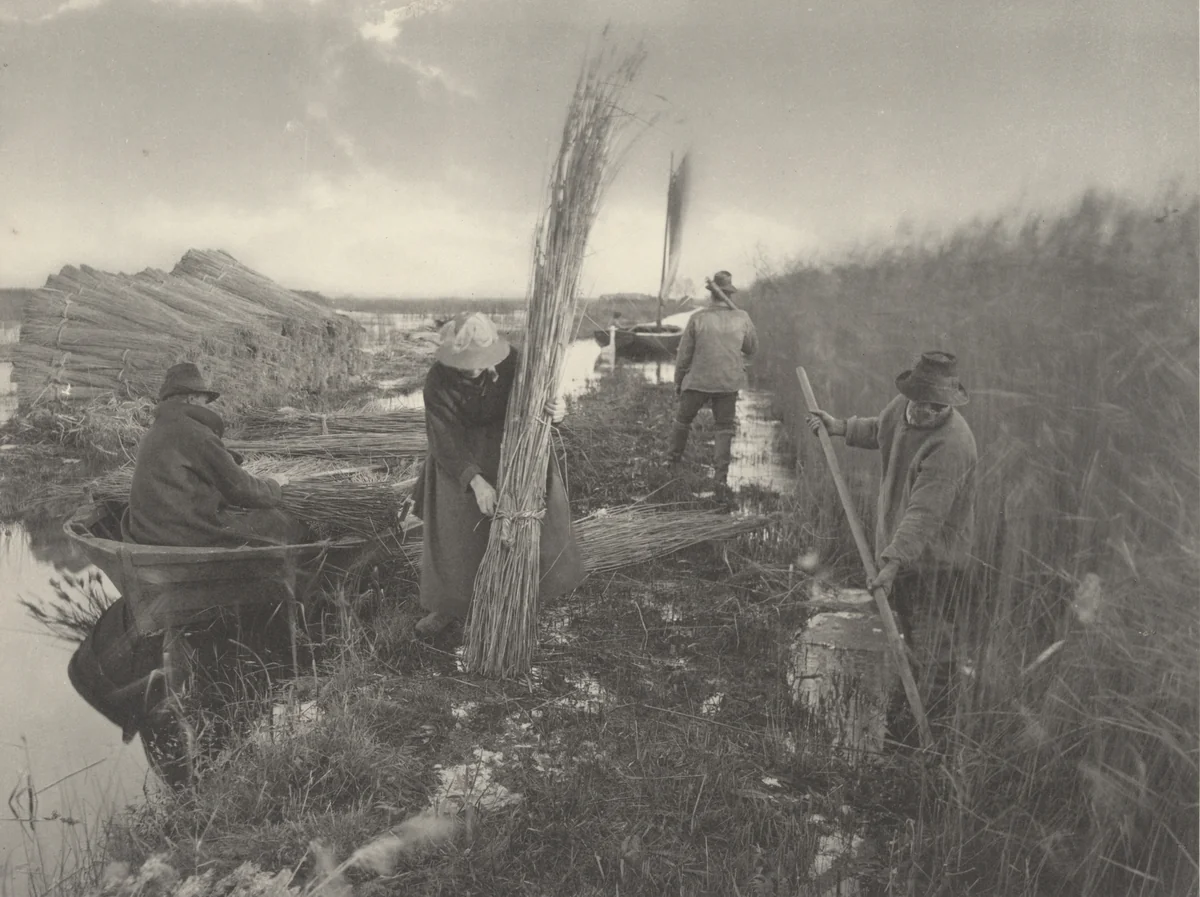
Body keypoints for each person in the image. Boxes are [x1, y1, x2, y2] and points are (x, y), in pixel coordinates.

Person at [806, 351, 978, 711]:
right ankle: (910, 710)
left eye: (934, 407)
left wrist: (892, 561)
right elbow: (880, 430)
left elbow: (924, 515)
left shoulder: (952, 444)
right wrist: (840, 427)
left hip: (937, 561)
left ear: (946, 405)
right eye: (919, 403)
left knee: (935, 648)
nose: (922, 412)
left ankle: (934, 724)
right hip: (901, 552)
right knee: (911, 636)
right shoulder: (903, 406)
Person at [411, 313, 586, 639]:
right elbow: (444, 439)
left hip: (513, 446)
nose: (474, 368)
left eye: (480, 360)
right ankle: (450, 607)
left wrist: (557, 412)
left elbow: (541, 404)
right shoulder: (437, 380)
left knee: (528, 519)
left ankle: (525, 594)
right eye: (466, 362)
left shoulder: (515, 362)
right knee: (457, 528)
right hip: (460, 455)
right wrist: (475, 482)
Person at [124, 362, 305, 549]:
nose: (206, 407)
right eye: (204, 401)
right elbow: (242, 489)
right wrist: (273, 485)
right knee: (283, 523)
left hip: (148, 531)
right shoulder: (196, 433)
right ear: (192, 399)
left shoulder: (153, 432)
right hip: (182, 534)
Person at [669, 270, 758, 488]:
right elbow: (751, 348)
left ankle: (672, 463)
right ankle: (720, 478)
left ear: (711, 294)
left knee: (682, 420)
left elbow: (684, 356)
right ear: (730, 294)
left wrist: (679, 382)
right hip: (727, 383)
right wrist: (747, 324)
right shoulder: (742, 317)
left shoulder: (697, 318)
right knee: (724, 427)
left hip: (698, 381)